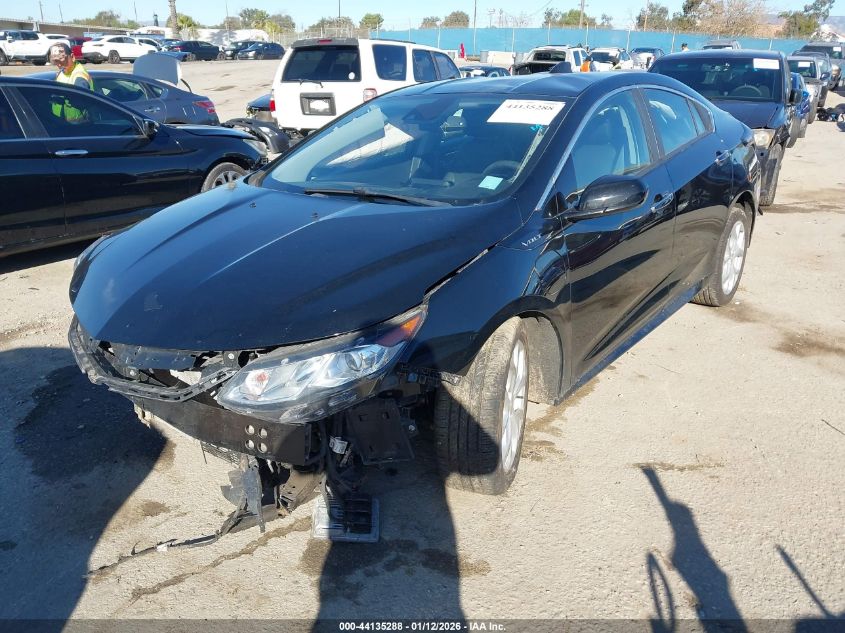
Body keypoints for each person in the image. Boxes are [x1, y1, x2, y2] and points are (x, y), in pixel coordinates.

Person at [48, 42, 93, 123]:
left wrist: (64, 98)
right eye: (56, 61)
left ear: (72, 57)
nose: (59, 65)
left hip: (77, 125)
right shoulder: (62, 72)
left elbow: (81, 100)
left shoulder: (79, 76)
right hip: (60, 123)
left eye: (62, 61)